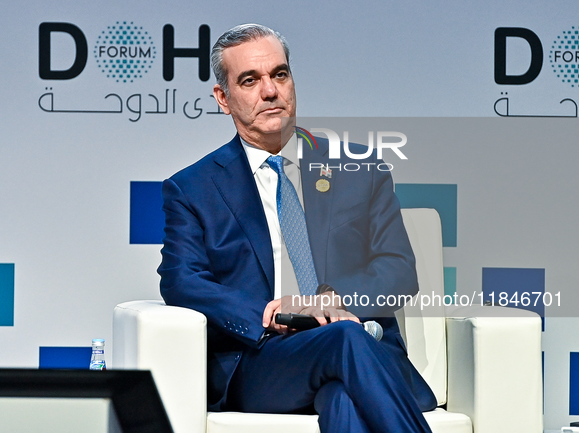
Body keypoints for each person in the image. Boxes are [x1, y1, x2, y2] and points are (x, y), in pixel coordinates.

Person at [158, 23, 436, 433]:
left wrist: (332, 301)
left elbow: (397, 268)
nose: (270, 91)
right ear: (223, 98)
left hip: (362, 344)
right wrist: (269, 314)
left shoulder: (360, 169)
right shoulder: (193, 188)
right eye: (250, 80)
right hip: (265, 362)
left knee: (342, 396)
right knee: (343, 339)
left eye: (280, 74)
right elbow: (180, 279)